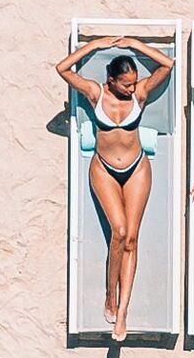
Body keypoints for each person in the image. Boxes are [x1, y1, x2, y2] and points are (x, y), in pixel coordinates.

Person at [57, 35, 177, 337]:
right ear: (110, 80)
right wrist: (96, 46)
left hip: (137, 167)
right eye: (126, 84)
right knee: (119, 233)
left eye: (134, 82)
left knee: (132, 239)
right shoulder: (95, 93)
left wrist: (134, 45)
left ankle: (123, 311)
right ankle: (110, 294)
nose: (131, 88)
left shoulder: (140, 93)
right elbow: (63, 69)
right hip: (105, 169)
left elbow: (168, 64)